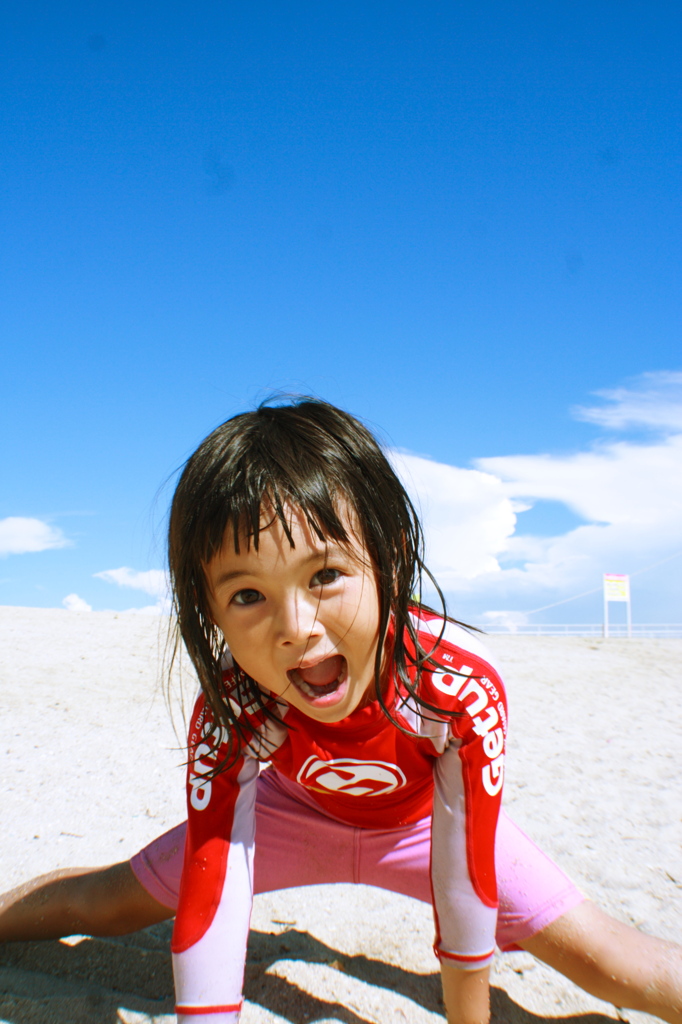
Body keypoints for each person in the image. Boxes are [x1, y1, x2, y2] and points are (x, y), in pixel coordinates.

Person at [1, 399, 680, 1024]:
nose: (294, 626)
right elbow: (214, 898)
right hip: (290, 815)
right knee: (104, 903)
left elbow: (465, 875)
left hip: (430, 820)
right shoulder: (235, 703)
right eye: (246, 596)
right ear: (208, 611)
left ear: (391, 559)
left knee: (617, 964)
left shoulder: (454, 685)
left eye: (325, 575)